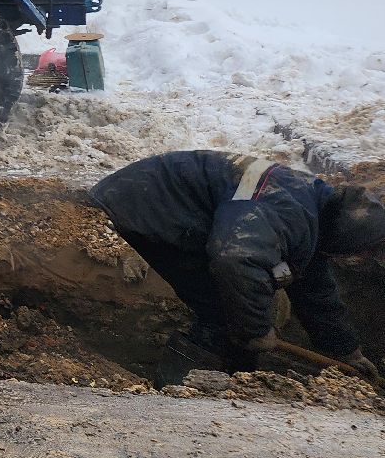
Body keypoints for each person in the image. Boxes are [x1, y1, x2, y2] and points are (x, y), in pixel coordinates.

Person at [90, 150, 384, 384]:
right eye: (360, 252)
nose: (355, 259)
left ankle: (235, 381)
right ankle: (178, 392)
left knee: (243, 309)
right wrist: (255, 329)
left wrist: (346, 351)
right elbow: (235, 257)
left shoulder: (314, 214)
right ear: (346, 238)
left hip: (169, 209)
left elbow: (315, 293)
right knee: (225, 311)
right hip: (140, 206)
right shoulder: (289, 211)